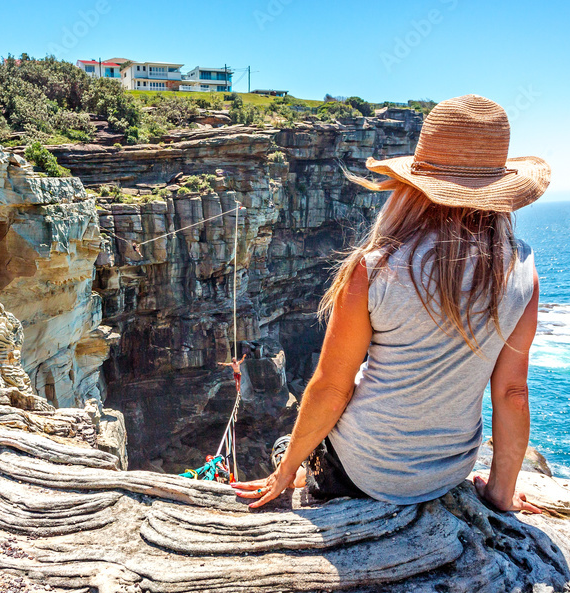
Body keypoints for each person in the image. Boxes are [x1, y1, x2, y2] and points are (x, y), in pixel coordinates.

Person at [232, 94, 548, 513]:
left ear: (413, 187)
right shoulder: (521, 269)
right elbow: (511, 393)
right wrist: (501, 494)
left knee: (283, 444)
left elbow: (331, 387)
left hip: (362, 473)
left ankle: (295, 464)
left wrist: (287, 470)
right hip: (446, 474)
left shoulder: (376, 269)